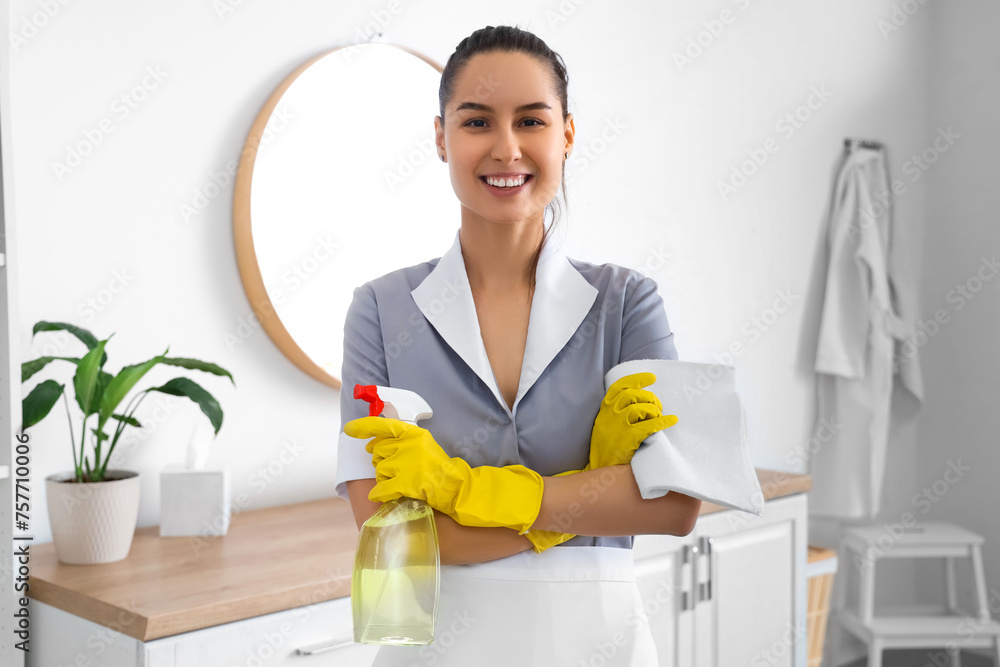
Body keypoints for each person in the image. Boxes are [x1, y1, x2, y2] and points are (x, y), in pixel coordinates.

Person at [334, 24, 702, 666]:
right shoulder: (379, 310)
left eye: (531, 120)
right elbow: (392, 534)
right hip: (438, 643)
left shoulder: (627, 304)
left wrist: (456, 489)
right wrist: (591, 493)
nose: (507, 149)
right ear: (441, 139)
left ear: (566, 135)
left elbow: (673, 504)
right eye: (477, 123)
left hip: (599, 641)